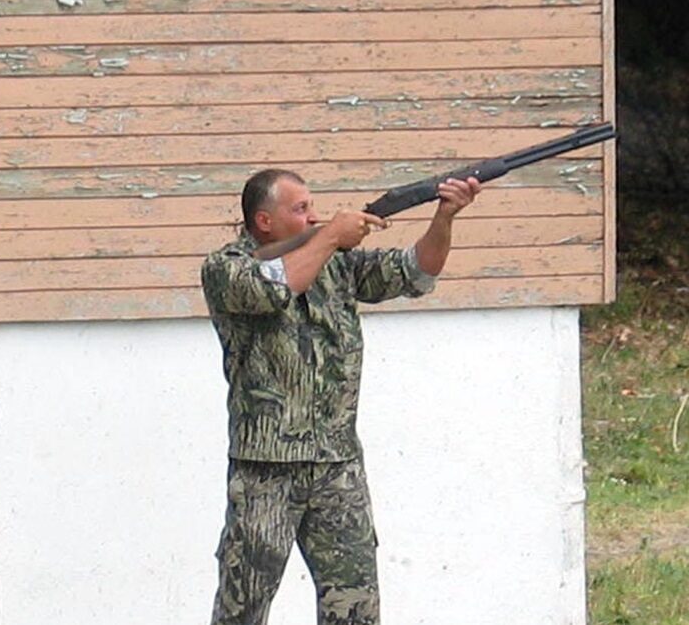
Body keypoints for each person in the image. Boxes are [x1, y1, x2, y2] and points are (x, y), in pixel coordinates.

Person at [200, 169, 481, 625]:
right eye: (300, 209)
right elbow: (273, 290)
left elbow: (417, 271)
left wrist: (445, 217)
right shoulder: (226, 268)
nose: (314, 215)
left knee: (355, 608)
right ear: (264, 221)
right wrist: (331, 236)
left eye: (312, 206)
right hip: (265, 472)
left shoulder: (337, 265)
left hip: (338, 468)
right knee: (242, 608)